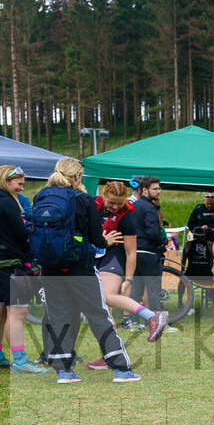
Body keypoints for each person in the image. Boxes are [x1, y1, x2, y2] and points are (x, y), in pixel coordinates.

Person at [36, 158, 139, 383]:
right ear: (78, 176)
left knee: (59, 316)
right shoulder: (83, 199)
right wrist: (105, 242)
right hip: (80, 266)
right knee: (98, 314)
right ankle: (121, 368)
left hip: (50, 267)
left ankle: (64, 371)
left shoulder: (41, 196)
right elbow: (97, 240)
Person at [85, 182, 168, 370]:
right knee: (103, 309)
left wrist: (128, 280)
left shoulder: (126, 217)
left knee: (106, 296)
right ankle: (109, 354)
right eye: (112, 202)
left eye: (119, 203)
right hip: (93, 254)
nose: (115, 207)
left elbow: (131, 252)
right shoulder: (92, 207)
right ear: (103, 195)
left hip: (114, 256)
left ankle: (152, 315)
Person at [0, 164, 48, 373]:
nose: (21, 188)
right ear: (7, 181)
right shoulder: (8, 202)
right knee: (17, 312)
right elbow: (21, 233)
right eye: (19, 184)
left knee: (2, 312)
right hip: (9, 264)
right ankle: (19, 361)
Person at [127, 176, 165, 327]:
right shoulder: (150, 207)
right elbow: (153, 231)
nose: (158, 192)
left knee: (136, 290)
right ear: (143, 190)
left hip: (135, 253)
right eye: (155, 189)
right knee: (154, 291)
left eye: (158, 188)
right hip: (149, 252)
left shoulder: (135, 206)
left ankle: (134, 322)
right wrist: (162, 243)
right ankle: (158, 323)